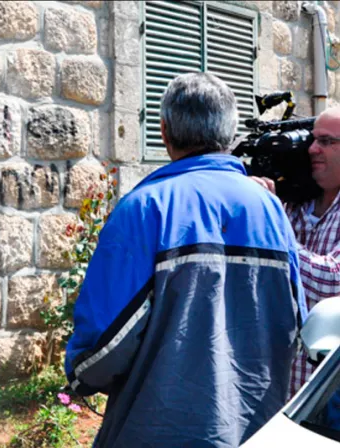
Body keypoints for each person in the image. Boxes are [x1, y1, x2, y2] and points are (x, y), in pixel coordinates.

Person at [64, 72, 307, 447]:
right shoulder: (270, 210)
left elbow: (102, 349)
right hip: (253, 430)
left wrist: (80, 375)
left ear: (164, 132)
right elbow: (295, 322)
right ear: (228, 135)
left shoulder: (144, 209)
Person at [251, 108, 340, 398]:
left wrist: (271, 221)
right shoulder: (293, 202)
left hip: (324, 398)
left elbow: (332, 283)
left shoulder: (279, 211)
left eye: (326, 141)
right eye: (313, 140)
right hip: (276, 384)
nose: (313, 149)